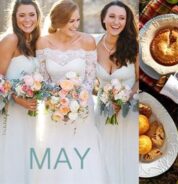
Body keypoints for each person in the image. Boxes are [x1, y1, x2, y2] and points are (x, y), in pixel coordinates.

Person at [33, 0, 108, 183]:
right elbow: (43, 79)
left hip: (82, 106)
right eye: (70, 21)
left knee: (82, 150)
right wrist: (56, 100)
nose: (75, 25)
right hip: (54, 108)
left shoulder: (88, 41)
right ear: (58, 22)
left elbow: (90, 78)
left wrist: (77, 101)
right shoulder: (43, 43)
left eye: (77, 20)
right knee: (56, 151)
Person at [95, 1, 139, 183]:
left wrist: (125, 98)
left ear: (127, 21)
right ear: (104, 18)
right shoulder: (93, 44)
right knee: (103, 157)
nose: (116, 22)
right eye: (112, 16)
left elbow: (138, 79)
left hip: (128, 110)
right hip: (102, 112)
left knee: (124, 159)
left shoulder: (134, 46)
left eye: (122, 18)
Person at [0, 0, 41, 183]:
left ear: (38, 17)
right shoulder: (11, 39)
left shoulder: (33, 41)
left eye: (31, 15)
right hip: (11, 111)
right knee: (11, 155)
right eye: (22, 15)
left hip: (30, 114)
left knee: (26, 157)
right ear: (15, 18)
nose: (27, 20)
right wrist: (16, 97)